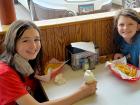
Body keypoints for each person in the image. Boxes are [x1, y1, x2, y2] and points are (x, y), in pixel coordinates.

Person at [0, 20, 97, 105]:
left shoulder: (26, 62)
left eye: (36, 39)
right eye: (25, 41)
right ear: (12, 43)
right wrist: (83, 92)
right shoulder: (5, 73)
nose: (33, 46)